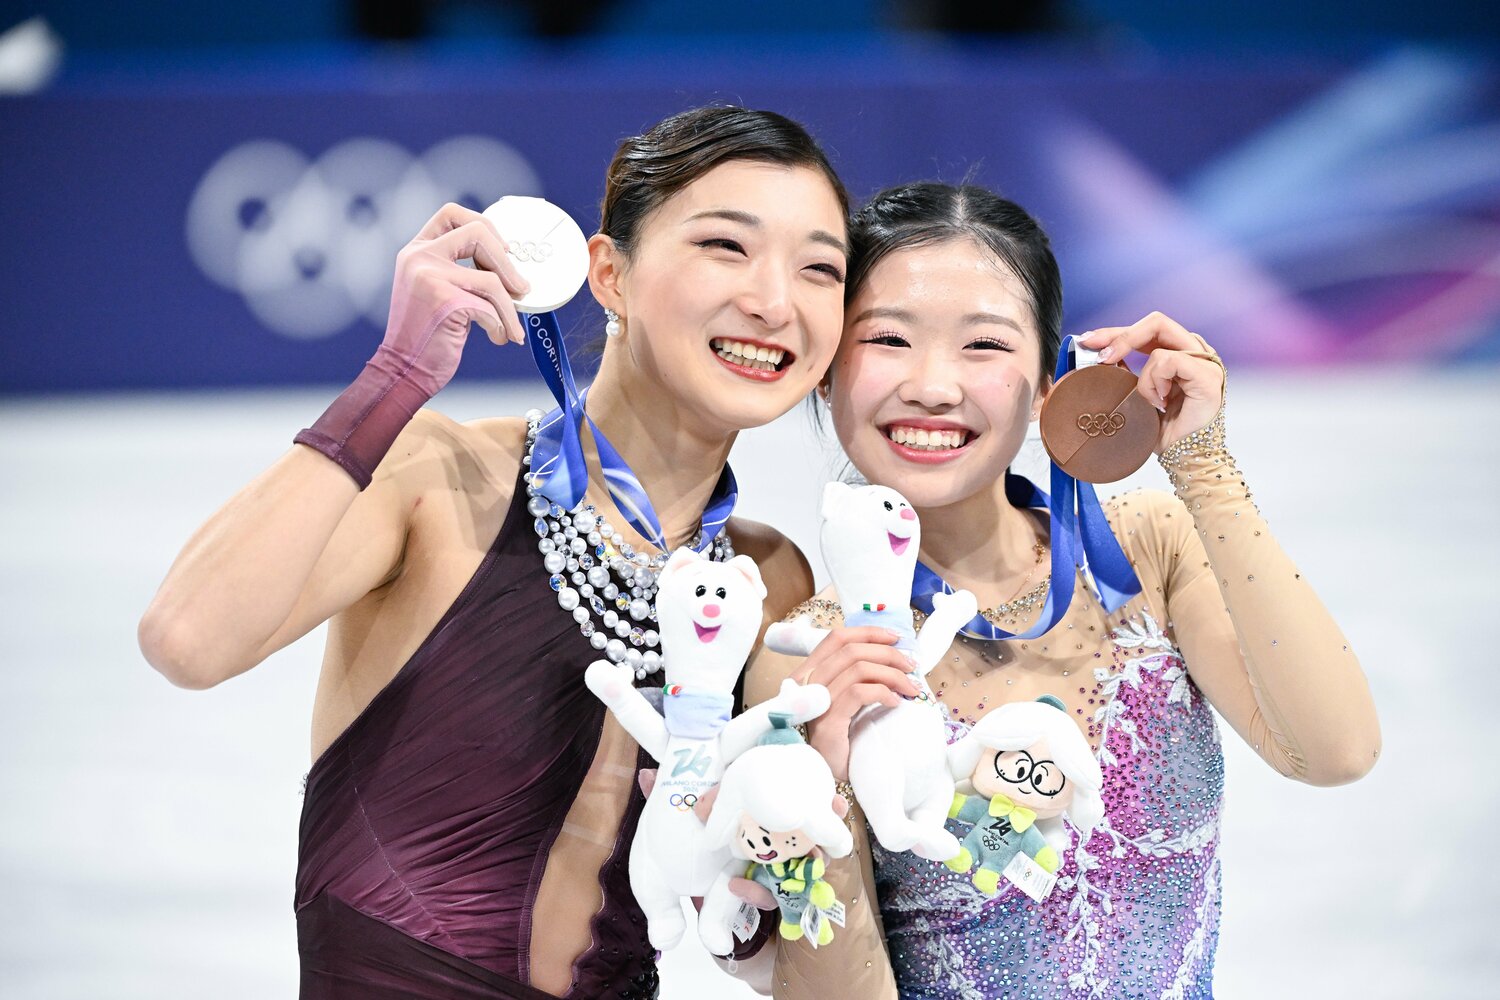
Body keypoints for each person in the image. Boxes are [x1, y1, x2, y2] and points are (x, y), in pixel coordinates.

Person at [137, 105, 852, 999]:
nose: (775, 301)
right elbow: (185, 640)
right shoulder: (438, 476)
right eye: (725, 246)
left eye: (819, 267)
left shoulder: (768, 579)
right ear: (609, 273)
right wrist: (392, 380)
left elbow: (774, 929)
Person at [743, 182, 1380, 999]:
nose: (933, 386)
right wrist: (823, 794)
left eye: (983, 346)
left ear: (1050, 383)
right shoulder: (809, 663)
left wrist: (1204, 468)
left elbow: (1335, 751)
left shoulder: (1145, 550)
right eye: (888, 340)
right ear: (826, 374)